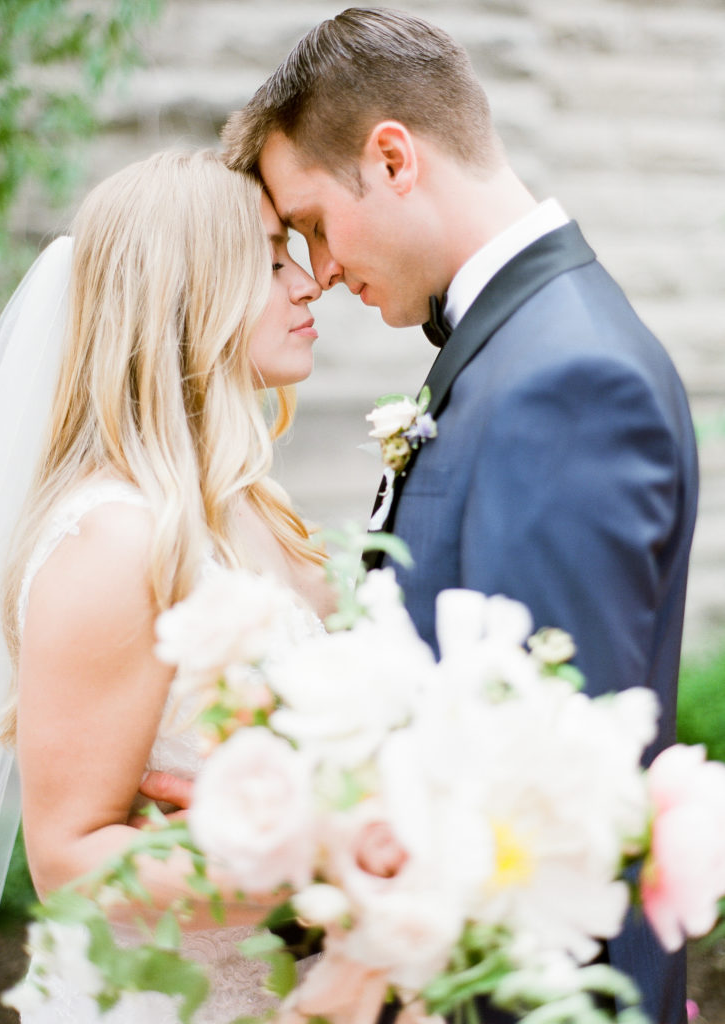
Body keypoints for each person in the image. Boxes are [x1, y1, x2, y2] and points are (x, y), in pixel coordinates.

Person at [219, 8, 698, 1023]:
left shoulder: (566, 380)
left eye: (310, 222)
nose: (318, 270)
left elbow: (555, 800)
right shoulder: (520, 348)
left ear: (392, 158)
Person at [0, 148, 334, 1022]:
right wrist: (314, 853)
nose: (309, 283)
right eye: (271, 259)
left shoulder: (257, 507)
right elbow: (70, 862)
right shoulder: (112, 540)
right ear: (184, 293)